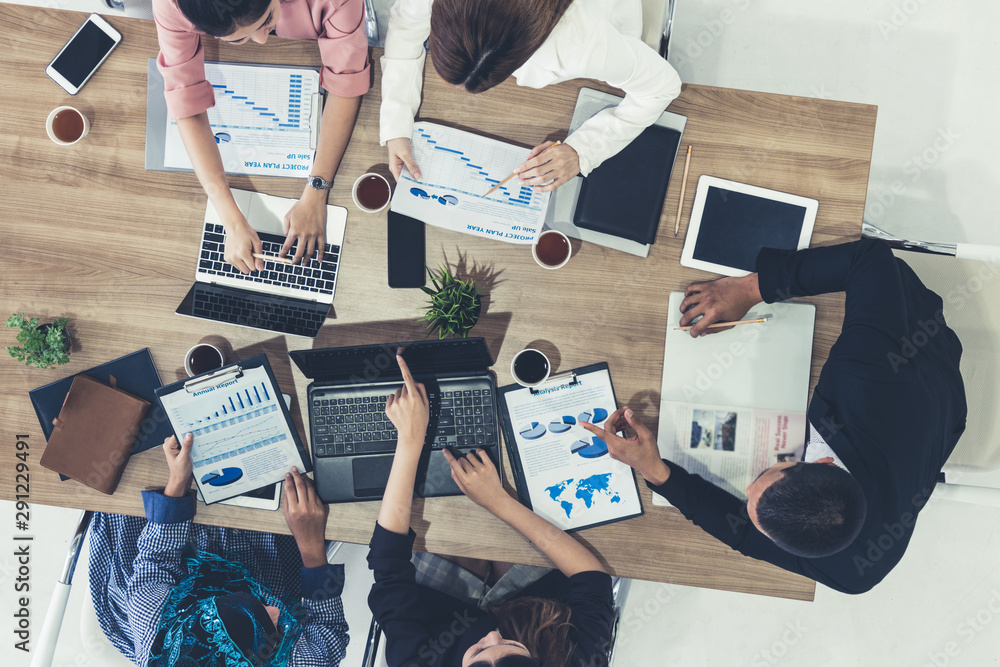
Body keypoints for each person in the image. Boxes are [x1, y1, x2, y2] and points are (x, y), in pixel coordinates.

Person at [582, 239, 967, 594]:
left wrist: (656, 472)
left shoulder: (856, 573)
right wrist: (749, 289)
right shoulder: (869, 376)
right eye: (761, 480)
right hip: (917, 360)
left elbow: (745, 538)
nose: (747, 487)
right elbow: (870, 258)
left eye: (750, 495)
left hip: (919, 433)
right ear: (824, 460)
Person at [367, 353, 615, 666]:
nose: (493, 634)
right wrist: (499, 502)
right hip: (539, 600)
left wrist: (410, 438)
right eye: (511, 647)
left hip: (442, 604)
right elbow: (591, 579)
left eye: (480, 651)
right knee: (519, 493)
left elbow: (388, 565)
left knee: (451, 514)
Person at [89, 434, 349, 666]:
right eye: (271, 626)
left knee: (129, 467)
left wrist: (178, 481)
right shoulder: (307, 662)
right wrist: (310, 542)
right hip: (259, 568)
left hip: (172, 589)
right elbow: (328, 632)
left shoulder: (154, 622)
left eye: (260, 607)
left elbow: (156, 559)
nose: (277, 611)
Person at [153, 0, 370, 271]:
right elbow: (186, 100)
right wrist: (230, 220)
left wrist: (317, 190)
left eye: (267, 20)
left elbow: (346, 83)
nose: (261, 40)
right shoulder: (173, 5)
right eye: (239, 39)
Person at [380, 0, 682, 192]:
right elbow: (407, 27)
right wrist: (396, 121)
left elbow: (662, 86)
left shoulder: (580, 42)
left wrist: (583, 151)